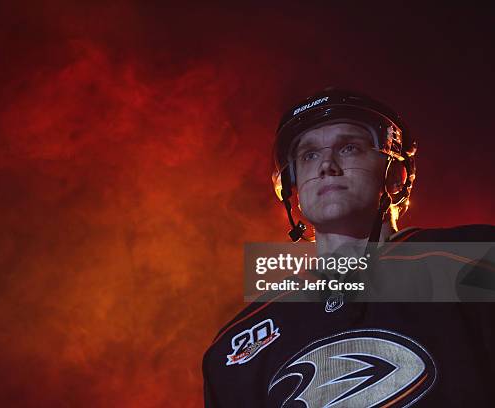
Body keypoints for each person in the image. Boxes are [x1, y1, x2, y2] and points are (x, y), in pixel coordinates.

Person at [202, 88, 495, 407]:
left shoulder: (478, 261)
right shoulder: (235, 347)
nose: (326, 165)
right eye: (309, 155)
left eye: (350, 148)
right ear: (291, 185)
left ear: (395, 173)